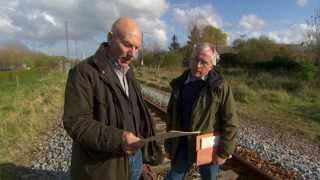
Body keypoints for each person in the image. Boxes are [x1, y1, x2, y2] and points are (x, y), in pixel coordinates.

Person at [63, 17, 162, 180]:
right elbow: (75, 122)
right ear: (110, 37)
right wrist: (120, 139)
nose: (133, 54)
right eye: (128, 45)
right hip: (105, 168)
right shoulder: (83, 73)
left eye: (137, 48)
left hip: (134, 159)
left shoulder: (128, 72)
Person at [164, 43, 239, 180]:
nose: (197, 65)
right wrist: (169, 145)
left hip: (208, 146)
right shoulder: (179, 84)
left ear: (212, 65)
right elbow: (171, 117)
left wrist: (224, 152)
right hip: (183, 144)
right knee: (173, 177)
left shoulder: (220, 86)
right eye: (195, 60)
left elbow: (231, 122)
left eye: (203, 62)